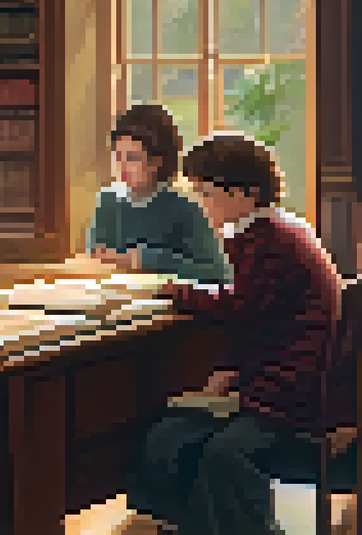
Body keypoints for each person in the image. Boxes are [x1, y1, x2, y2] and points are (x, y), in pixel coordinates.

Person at [126, 132, 349, 535]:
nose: (200, 205)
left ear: (245, 193)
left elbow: (242, 306)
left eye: (207, 194)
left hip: (290, 392)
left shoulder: (269, 241)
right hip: (280, 379)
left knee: (213, 451)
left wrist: (177, 293)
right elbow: (255, 308)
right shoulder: (270, 230)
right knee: (169, 435)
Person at [81, 103, 229, 281]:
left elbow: (217, 273)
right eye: (117, 156)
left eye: (132, 158)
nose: (121, 166)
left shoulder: (186, 208)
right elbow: (96, 259)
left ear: (157, 161)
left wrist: (146, 259)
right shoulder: (108, 201)